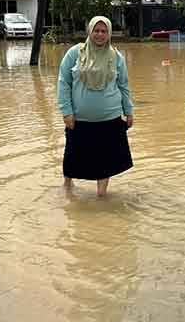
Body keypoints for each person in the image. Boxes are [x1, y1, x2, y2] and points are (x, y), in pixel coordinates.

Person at [57, 16, 134, 197]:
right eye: (96, 31)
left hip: (110, 118)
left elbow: (123, 85)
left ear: (109, 33)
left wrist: (129, 111)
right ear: (89, 31)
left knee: (105, 160)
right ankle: (67, 188)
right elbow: (63, 83)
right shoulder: (74, 53)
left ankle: (101, 195)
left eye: (104, 31)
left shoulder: (116, 57)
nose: (100, 35)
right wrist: (66, 112)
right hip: (79, 118)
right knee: (72, 156)